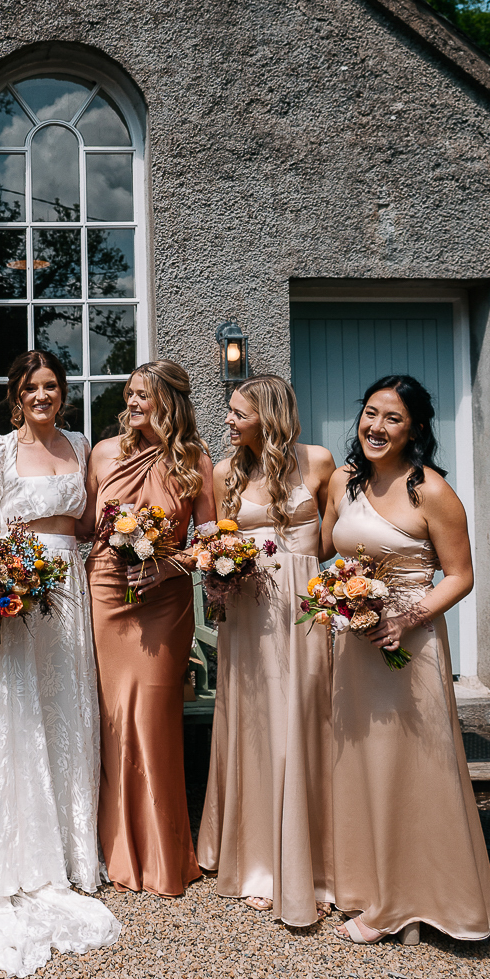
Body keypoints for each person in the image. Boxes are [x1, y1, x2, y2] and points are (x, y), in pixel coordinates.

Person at [0, 349, 119, 977]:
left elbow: (89, 520)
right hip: (16, 589)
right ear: (17, 394)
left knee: (65, 708)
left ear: (63, 393)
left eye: (52, 385)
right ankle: (20, 853)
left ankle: (69, 852)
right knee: (18, 711)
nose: (44, 395)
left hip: (68, 585)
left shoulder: (79, 443)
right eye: (32, 387)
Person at [323, 374, 490, 944]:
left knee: (414, 766)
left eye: (392, 418)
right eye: (370, 413)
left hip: (409, 641)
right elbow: (324, 549)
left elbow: (462, 576)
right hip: (353, 642)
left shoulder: (433, 491)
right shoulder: (343, 481)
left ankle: (412, 898)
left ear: (415, 429)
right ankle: (364, 883)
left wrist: (408, 617)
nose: (375, 427)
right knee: (361, 761)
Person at [197, 374, 338, 925]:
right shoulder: (226, 471)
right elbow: (216, 540)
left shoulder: (320, 462)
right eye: (230, 412)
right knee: (255, 723)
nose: (228, 421)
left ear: (268, 415)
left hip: (301, 604)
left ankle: (313, 861)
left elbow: (328, 541)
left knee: (305, 719)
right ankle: (258, 859)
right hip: (250, 610)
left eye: (238, 413)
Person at [84, 358, 215, 897]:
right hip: (107, 594)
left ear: (171, 403)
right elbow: (81, 527)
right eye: (130, 394)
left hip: (165, 598)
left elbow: (210, 541)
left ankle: (162, 853)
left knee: (154, 717)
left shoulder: (194, 461)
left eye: (145, 396)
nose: (133, 403)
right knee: (112, 716)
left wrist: (168, 562)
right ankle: (114, 850)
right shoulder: (103, 453)